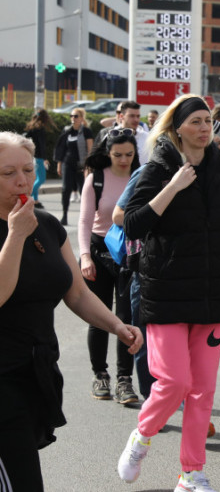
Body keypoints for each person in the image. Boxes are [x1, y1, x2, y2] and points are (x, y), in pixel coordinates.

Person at [117, 94, 220, 492]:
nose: (203, 127)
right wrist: (173, 187)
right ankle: (141, 438)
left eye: (208, 120)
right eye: (195, 120)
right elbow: (133, 225)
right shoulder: (157, 168)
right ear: (177, 127)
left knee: (203, 390)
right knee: (174, 382)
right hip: (166, 293)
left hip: (211, 295)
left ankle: (191, 473)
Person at [0, 131, 142, 490]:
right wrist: (14, 236)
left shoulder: (45, 224)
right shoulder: (19, 228)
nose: (22, 180)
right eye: (8, 172)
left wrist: (116, 325)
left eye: (28, 170)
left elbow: (76, 292)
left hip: (37, 368)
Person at [78, 130, 140, 405]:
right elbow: (83, 221)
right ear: (108, 153)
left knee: (126, 317)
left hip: (129, 253)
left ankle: (124, 379)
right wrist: (85, 257)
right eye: (118, 155)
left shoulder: (141, 176)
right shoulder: (97, 178)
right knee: (100, 316)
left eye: (129, 154)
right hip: (99, 249)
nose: (124, 159)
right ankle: (100, 374)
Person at [54, 107, 93, 223]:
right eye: (71, 116)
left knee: (83, 190)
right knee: (66, 189)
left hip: (81, 165)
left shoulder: (86, 131)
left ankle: (84, 216)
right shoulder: (66, 131)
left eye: (76, 116)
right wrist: (59, 164)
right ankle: (64, 214)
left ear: (81, 118)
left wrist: (88, 166)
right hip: (67, 163)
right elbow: (61, 148)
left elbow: (90, 150)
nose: (73, 118)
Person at [23, 109, 54, 207]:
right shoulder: (40, 129)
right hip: (39, 157)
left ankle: (35, 200)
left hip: (33, 156)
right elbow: (41, 145)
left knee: (36, 178)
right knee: (41, 179)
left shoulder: (32, 128)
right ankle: (29, 196)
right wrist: (45, 158)